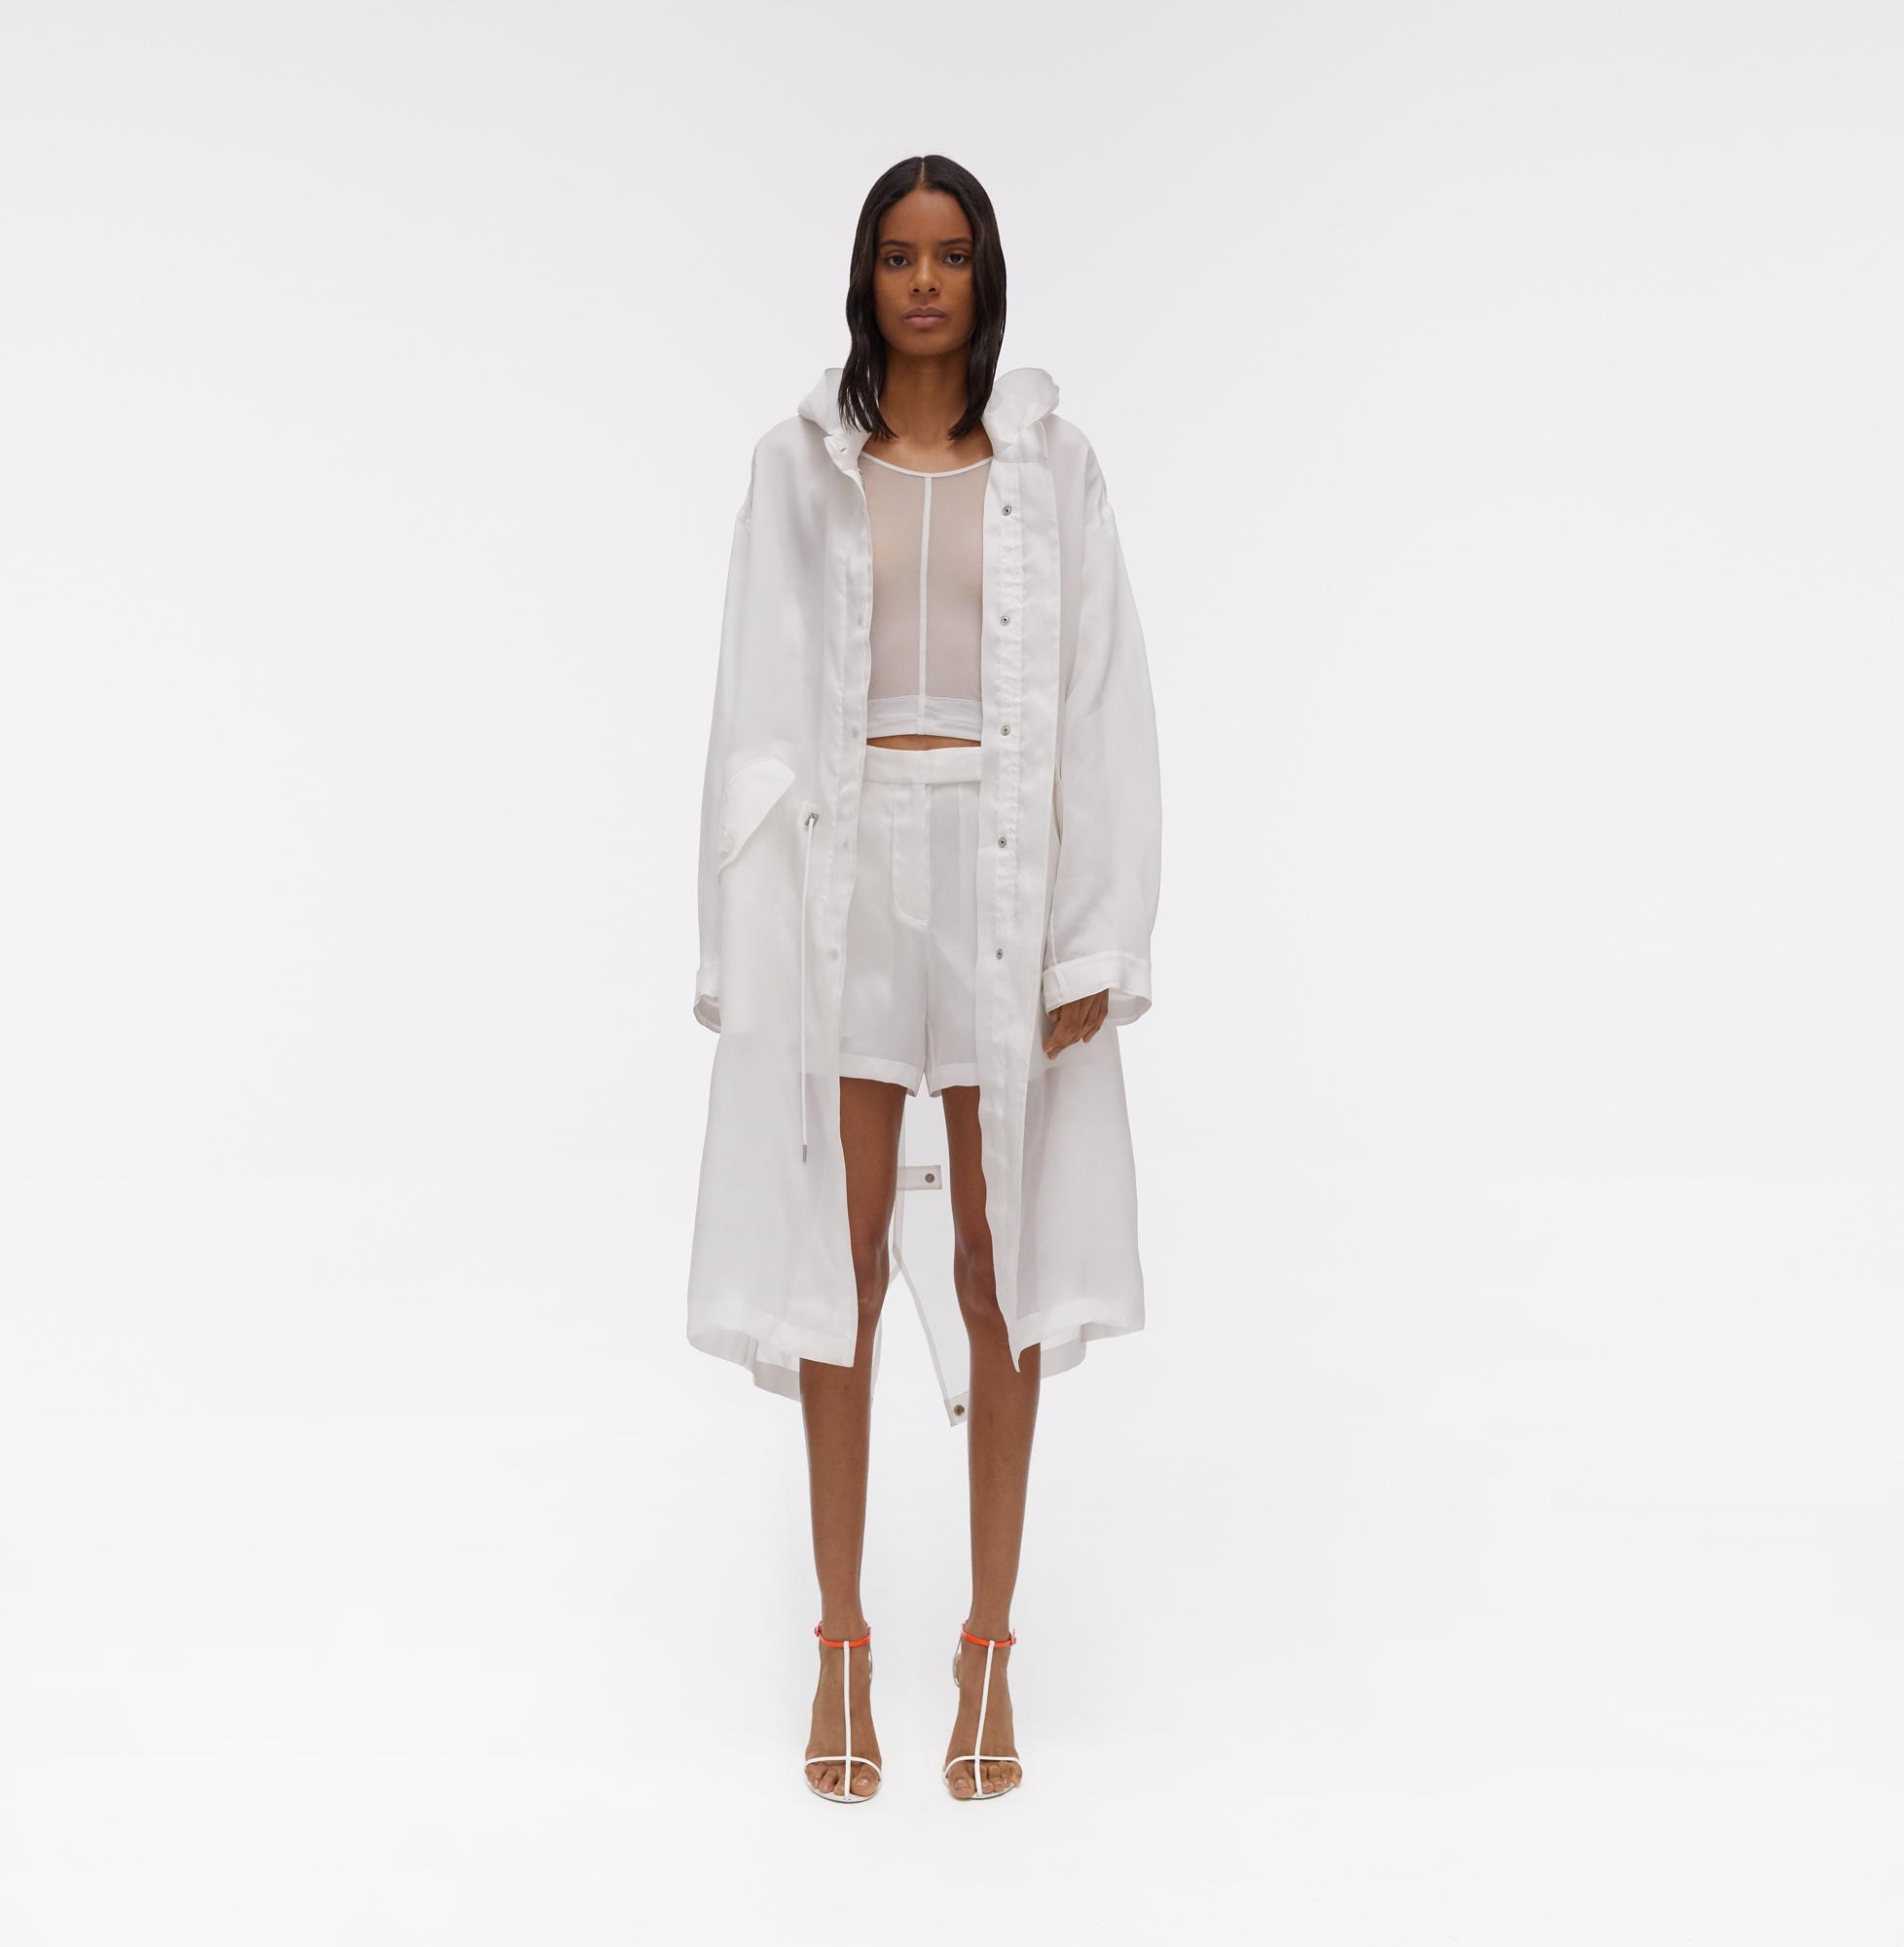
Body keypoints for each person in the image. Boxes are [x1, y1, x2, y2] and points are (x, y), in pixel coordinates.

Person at [687, 154, 1162, 1803]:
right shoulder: (797, 468)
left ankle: (989, 1647)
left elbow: (1104, 702)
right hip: (845, 875)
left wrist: (1097, 932)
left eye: (951, 255)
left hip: (1005, 874)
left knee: (995, 1258)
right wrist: (736, 936)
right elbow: (749, 702)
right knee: (836, 1255)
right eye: (899, 256)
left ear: (985, 275)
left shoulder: (1055, 469)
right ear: (866, 277)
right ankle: (840, 1641)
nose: (926, 283)